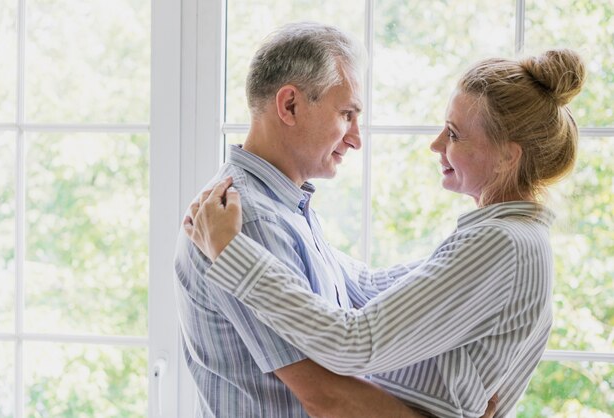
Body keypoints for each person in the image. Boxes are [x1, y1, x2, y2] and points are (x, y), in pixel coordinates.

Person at [184, 48, 586, 417]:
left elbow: (353, 344)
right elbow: (369, 286)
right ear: (288, 104)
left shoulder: (503, 245)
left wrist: (233, 254)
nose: (435, 144)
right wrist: (295, 220)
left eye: (454, 133)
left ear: (507, 157)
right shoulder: (513, 239)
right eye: (347, 114)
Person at [175, 21, 456, 417]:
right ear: (289, 105)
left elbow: (367, 289)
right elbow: (327, 396)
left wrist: (472, 260)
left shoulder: (285, 209)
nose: (356, 137)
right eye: (347, 114)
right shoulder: (250, 222)